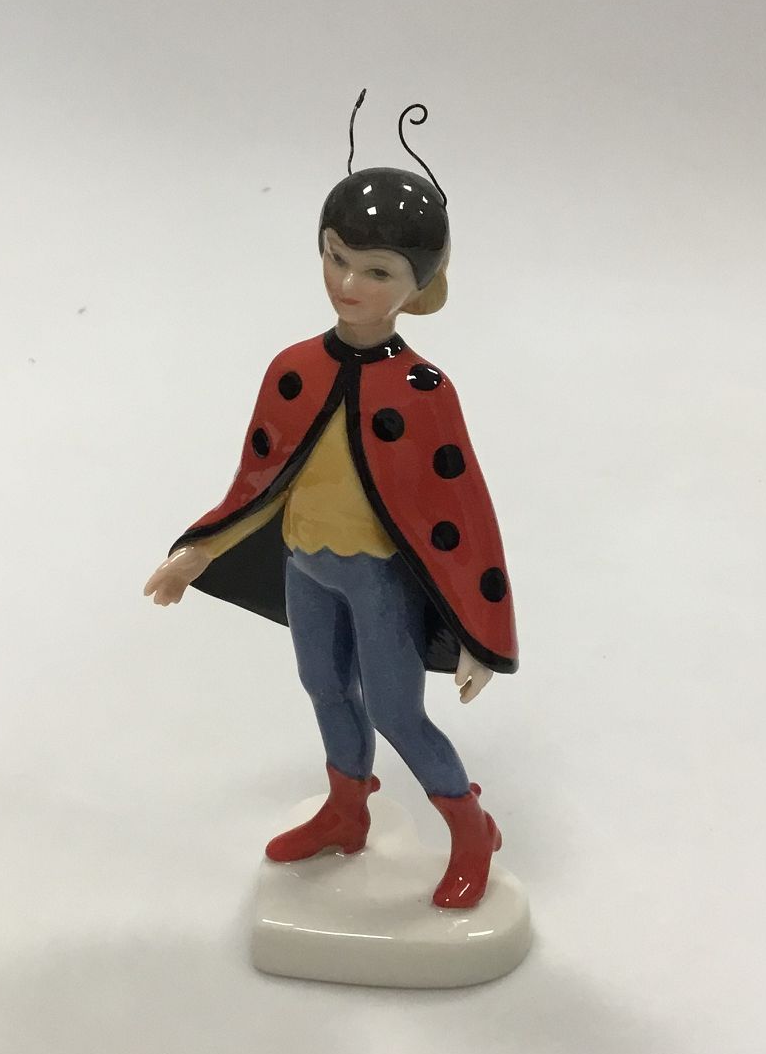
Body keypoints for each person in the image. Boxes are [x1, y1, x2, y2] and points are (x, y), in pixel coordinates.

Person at [145, 101, 518, 909]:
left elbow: (464, 514)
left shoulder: (425, 390)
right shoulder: (293, 368)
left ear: (420, 286)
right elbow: (260, 482)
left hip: (377, 578)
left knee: (398, 714)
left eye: (376, 271)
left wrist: (479, 632)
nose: (348, 284)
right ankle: (347, 811)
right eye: (336, 257)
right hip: (305, 566)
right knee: (322, 685)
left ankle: (471, 830)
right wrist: (197, 553)